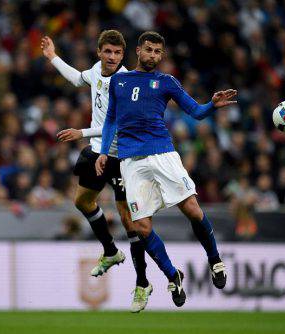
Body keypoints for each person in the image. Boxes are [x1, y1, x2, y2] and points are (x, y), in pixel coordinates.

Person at [96, 31, 236, 307]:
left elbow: (194, 111)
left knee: (193, 209)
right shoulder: (118, 82)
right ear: (138, 50)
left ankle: (215, 260)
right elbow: (111, 118)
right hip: (131, 163)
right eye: (149, 50)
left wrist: (212, 105)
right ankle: (173, 275)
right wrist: (103, 152)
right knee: (142, 228)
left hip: (163, 154)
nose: (153, 56)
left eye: (158, 52)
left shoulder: (166, 82)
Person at [41, 31, 152, 312]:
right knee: (82, 201)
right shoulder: (94, 72)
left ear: (123, 55)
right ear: (99, 52)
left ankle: (141, 283)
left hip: (120, 154)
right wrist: (53, 57)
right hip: (95, 150)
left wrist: (81, 131)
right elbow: (78, 78)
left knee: (130, 221)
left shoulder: (126, 83)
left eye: (117, 53)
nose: (112, 57)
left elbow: (118, 126)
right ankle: (111, 251)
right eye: (108, 52)